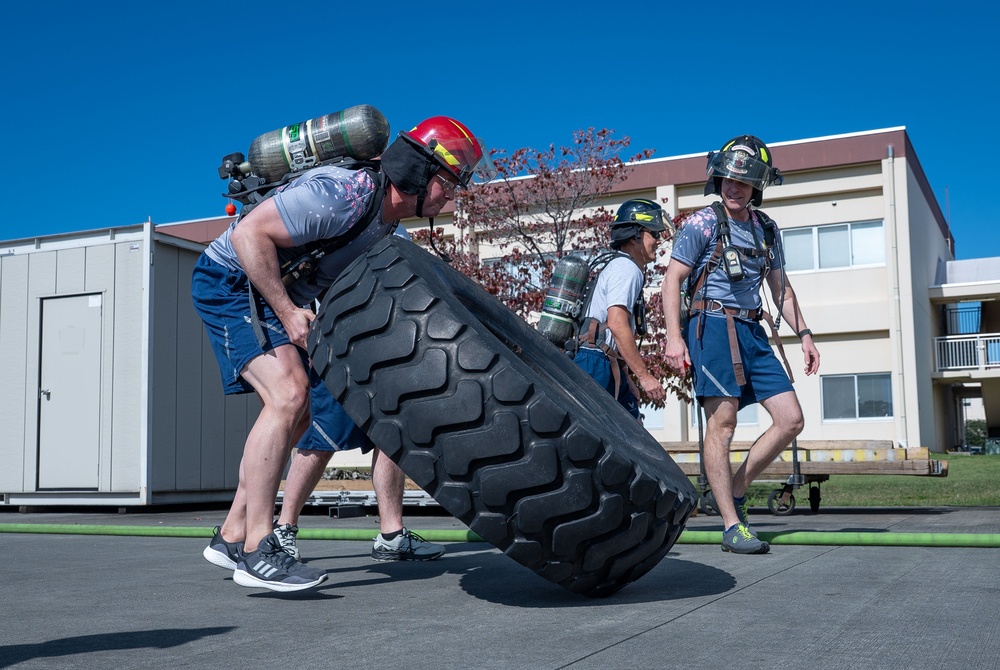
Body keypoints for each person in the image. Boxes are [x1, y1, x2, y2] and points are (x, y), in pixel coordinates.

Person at [193, 115, 494, 591]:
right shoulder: (345, 193)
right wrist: (288, 312)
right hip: (231, 280)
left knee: (298, 411)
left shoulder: (385, 229)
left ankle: (231, 534)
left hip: (269, 291)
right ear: (419, 173)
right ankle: (256, 549)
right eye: (448, 183)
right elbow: (249, 235)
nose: (451, 196)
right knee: (288, 396)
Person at [660, 135, 820, 555]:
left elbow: (781, 290)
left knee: (791, 419)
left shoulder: (767, 228)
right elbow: (671, 280)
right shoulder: (702, 223)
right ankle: (732, 526)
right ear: (719, 179)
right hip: (710, 326)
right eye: (729, 179)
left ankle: (732, 489)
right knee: (724, 423)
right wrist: (674, 338)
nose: (735, 187)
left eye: (744, 182)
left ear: (757, 187)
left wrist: (805, 334)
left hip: (753, 330)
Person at [271, 378, 445, 563]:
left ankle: (392, 537)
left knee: (392, 435)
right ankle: (283, 528)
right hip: (338, 368)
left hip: (383, 368)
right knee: (322, 439)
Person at [573, 199, 669, 419]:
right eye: (654, 234)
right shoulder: (627, 268)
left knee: (631, 428)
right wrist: (644, 377)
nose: (658, 240)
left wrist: (627, 377)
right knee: (601, 433)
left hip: (604, 360)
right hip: (596, 362)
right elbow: (617, 324)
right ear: (635, 236)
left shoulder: (621, 266)